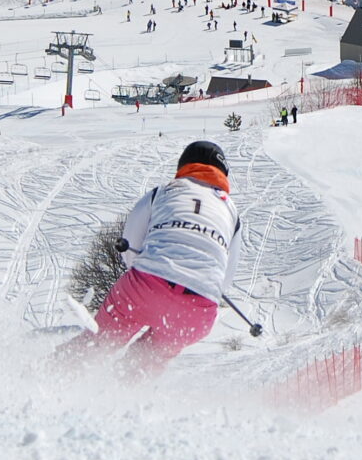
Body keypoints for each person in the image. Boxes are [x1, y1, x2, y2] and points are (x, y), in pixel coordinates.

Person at [61, 141, 241, 373]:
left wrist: (146, 278)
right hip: (198, 310)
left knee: (97, 343)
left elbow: (130, 244)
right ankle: (124, 401)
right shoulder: (232, 213)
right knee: (143, 364)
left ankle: (41, 379)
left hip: (145, 287)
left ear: (184, 165)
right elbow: (225, 279)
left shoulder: (164, 191)